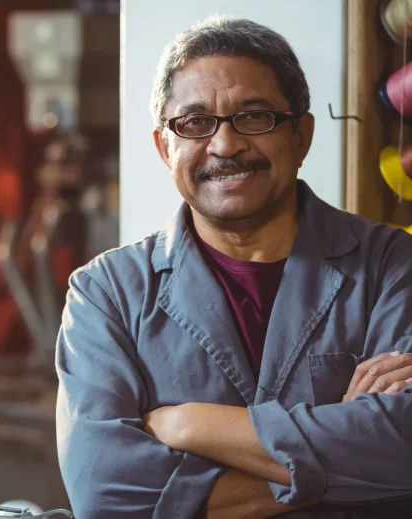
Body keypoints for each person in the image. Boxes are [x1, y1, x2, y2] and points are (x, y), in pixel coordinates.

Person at [55, 16, 412, 519]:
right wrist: (343, 444)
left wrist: (191, 426)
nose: (225, 146)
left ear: (301, 136)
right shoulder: (107, 293)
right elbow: (105, 492)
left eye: (254, 117)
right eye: (195, 123)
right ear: (165, 147)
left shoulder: (393, 266)